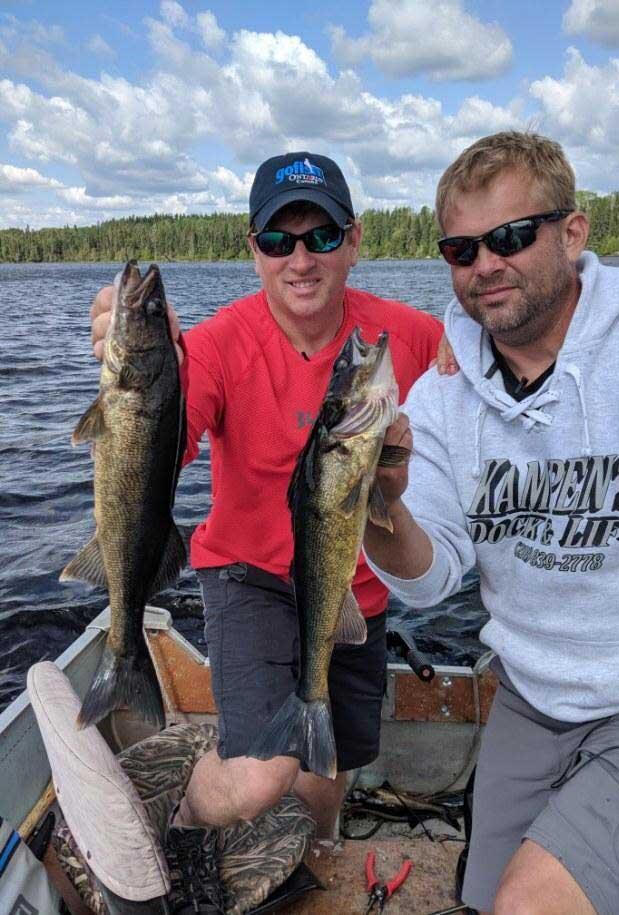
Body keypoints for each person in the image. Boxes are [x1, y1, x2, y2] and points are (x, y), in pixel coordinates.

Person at [90, 151, 443, 911]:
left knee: (328, 760)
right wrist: (142, 370)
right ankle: (186, 817)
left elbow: (486, 386)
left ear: (355, 241)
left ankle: (313, 853)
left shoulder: (410, 335)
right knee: (260, 773)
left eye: (321, 236)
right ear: (253, 249)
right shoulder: (214, 345)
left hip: (354, 580)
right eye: (279, 240)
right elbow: (158, 451)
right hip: (245, 572)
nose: (301, 258)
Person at [364, 130, 619, 915]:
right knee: (486, 903)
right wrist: (379, 505)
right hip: (529, 698)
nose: (484, 265)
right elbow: (431, 572)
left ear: (573, 232)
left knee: (532, 904)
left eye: (510, 237)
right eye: (462, 248)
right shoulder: (440, 398)